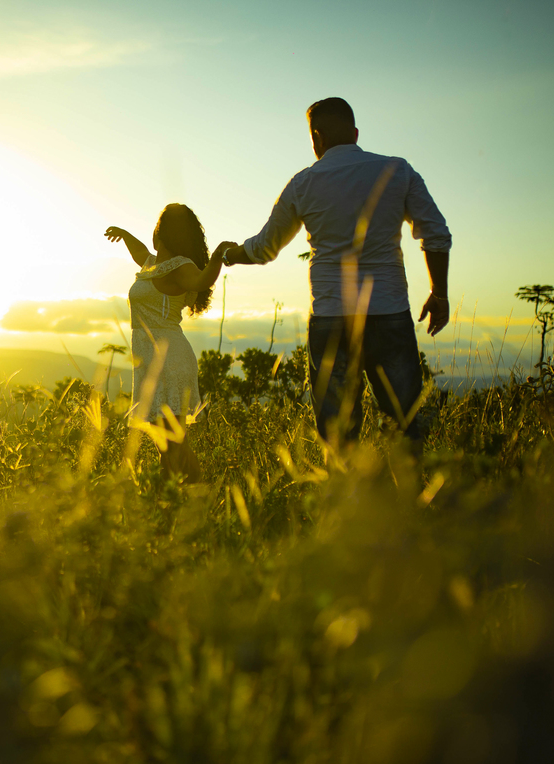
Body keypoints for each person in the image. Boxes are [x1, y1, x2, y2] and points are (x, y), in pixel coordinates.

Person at [217, 97, 452, 450]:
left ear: (317, 137)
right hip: (388, 313)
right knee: (404, 425)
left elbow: (264, 247)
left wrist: (229, 255)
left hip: (331, 319)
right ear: (355, 133)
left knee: (339, 437)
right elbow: (436, 234)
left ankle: (346, 486)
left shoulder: (303, 183)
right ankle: (407, 485)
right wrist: (439, 293)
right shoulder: (397, 171)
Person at [105, 204, 233, 482]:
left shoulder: (180, 266)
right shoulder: (152, 265)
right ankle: (194, 494)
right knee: (167, 444)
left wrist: (217, 258)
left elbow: (201, 280)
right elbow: (140, 252)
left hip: (170, 360)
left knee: (171, 444)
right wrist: (124, 234)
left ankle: (177, 498)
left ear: (161, 233)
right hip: (150, 362)